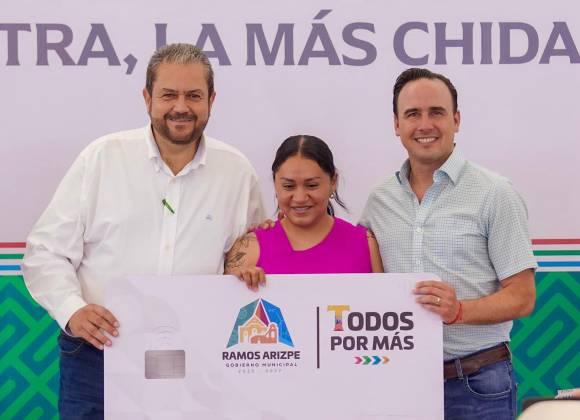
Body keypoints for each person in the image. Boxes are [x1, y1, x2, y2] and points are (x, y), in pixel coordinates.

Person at [22, 43, 265, 418]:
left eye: (193, 95)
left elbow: (247, 256)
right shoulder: (102, 158)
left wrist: (246, 273)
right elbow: (45, 252)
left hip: (198, 359)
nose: (181, 107)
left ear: (211, 101)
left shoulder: (237, 172)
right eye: (168, 95)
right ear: (147, 98)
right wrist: (72, 310)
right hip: (98, 354)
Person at [360, 68, 537, 419]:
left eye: (436, 112)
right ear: (397, 125)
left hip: (478, 384)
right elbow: (350, 268)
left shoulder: (495, 193)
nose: (425, 125)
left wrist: (459, 311)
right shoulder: (379, 200)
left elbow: (523, 296)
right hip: (399, 383)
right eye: (413, 114)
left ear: (456, 120)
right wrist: (263, 240)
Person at [225, 134, 383, 286]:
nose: (300, 198)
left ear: (333, 181)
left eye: (312, 185)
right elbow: (224, 301)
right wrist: (240, 285)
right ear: (275, 184)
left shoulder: (365, 244)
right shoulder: (249, 248)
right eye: (288, 186)